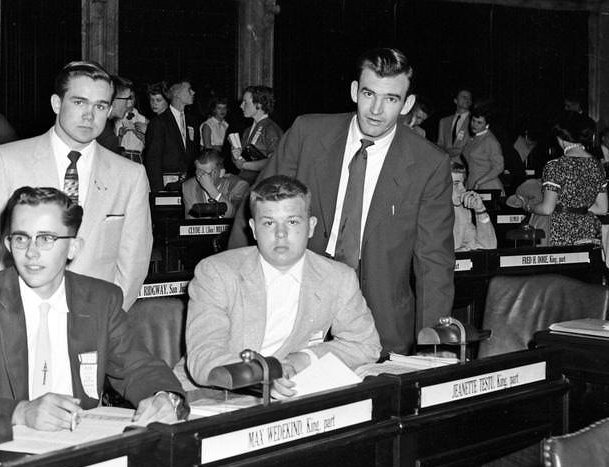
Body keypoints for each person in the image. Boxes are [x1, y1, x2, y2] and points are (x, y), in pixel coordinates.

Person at [230, 47, 453, 355]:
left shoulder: (430, 164)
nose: (376, 109)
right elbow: (254, 209)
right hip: (296, 306)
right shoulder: (307, 133)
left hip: (382, 320)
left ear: (408, 104)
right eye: (368, 94)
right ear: (353, 91)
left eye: (391, 99)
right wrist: (233, 296)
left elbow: (434, 262)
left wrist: (435, 345)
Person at [0, 186, 185, 429]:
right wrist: (21, 412)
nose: (31, 252)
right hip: (4, 447)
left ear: (73, 248)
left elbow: (139, 367)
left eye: (46, 239)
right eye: (21, 238)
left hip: (82, 446)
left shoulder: (100, 300)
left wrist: (165, 397)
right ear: (8, 245)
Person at [0, 61, 153, 310]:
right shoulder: (5, 161)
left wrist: (110, 317)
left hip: (93, 320)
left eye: (100, 106)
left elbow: (134, 262)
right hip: (14, 317)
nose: (89, 115)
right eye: (79, 102)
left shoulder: (130, 175)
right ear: (57, 104)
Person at [182, 176, 381, 396]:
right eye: (268, 222)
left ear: (311, 226)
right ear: (253, 229)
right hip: (214, 395)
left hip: (292, 395)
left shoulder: (338, 278)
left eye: (292, 221)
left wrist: (303, 359)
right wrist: (265, 376)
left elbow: (365, 345)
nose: (281, 233)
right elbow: (204, 357)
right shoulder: (217, 273)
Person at [531, 113, 608, 246]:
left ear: (561, 138)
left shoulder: (555, 166)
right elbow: (602, 208)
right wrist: (578, 207)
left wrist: (528, 206)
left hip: (559, 230)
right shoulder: (596, 165)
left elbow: (547, 209)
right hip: (587, 229)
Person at [143, 78, 198, 189]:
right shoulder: (158, 123)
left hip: (188, 186)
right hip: (166, 186)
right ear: (177, 94)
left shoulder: (192, 121)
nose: (193, 92)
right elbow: (153, 161)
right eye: (189, 90)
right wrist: (158, 192)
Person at [232, 84, 282, 185]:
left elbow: (275, 162)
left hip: (262, 185)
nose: (241, 106)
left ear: (258, 104)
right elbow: (239, 161)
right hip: (245, 182)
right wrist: (235, 155)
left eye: (245, 102)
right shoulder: (247, 131)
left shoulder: (271, 129)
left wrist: (244, 165)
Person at [181, 147, 249, 219]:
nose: (201, 177)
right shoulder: (188, 186)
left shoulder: (239, 185)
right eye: (198, 172)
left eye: (206, 174)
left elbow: (233, 216)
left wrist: (212, 191)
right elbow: (190, 224)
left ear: (221, 173)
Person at [450, 163, 497, 251]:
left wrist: (480, 210)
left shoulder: (462, 212)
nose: (463, 189)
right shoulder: (424, 214)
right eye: (456, 184)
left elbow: (488, 247)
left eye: (463, 183)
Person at [461, 101, 504, 191]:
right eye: (473, 121)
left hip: (487, 186)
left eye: (479, 123)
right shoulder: (475, 137)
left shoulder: (489, 140)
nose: (474, 125)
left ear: (487, 125)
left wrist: (479, 182)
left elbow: (499, 167)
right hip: (472, 183)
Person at [436, 88, 473, 159]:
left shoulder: (474, 121)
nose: (467, 99)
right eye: (464, 97)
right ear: (455, 100)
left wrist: (460, 151)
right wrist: (447, 152)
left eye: (469, 98)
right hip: (446, 163)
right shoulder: (444, 121)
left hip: (465, 164)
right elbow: (439, 144)